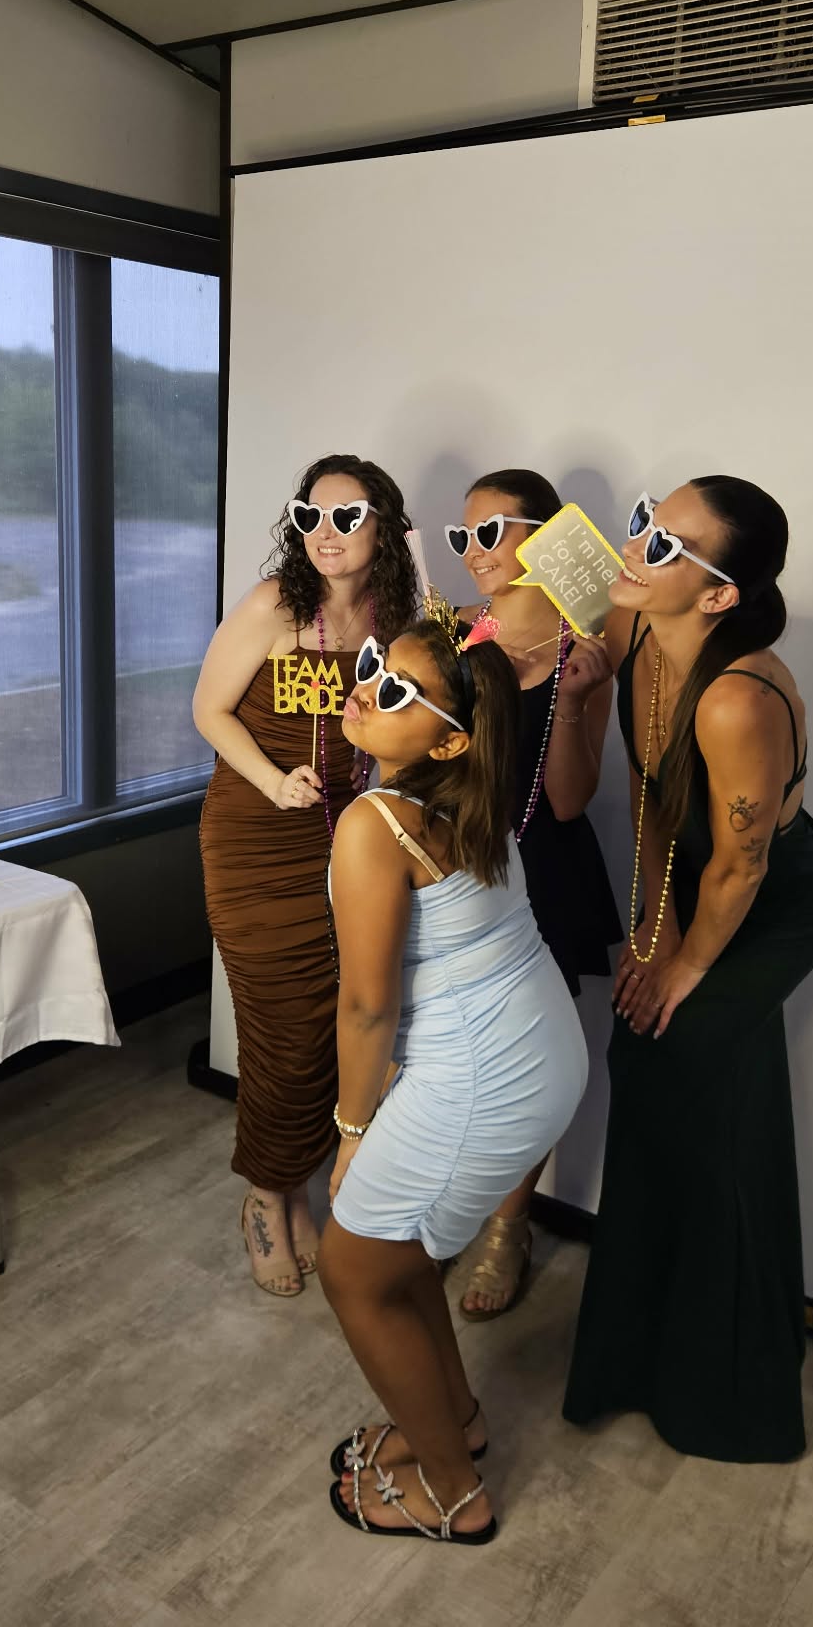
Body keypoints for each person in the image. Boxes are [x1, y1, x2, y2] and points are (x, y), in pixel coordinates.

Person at [563, 478, 813, 1462]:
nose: (634, 545)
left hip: (773, 898)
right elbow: (652, 800)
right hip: (698, 878)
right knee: (648, 1070)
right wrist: (650, 931)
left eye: (665, 542)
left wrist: (681, 965)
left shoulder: (738, 698)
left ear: (720, 593)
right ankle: (637, 1353)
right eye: (644, 517)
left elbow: (744, 860)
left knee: (694, 1083)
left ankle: (727, 1390)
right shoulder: (640, 627)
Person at [319, 611, 588, 1541]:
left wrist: (352, 1135)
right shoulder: (467, 797)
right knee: (400, 1259)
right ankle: (457, 1425)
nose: (361, 689)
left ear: (448, 736)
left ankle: (451, 1493)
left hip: (487, 1070)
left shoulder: (373, 823)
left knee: (352, 1270)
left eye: (394, 690)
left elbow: (366, 1010)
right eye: (368, 668)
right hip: (538, 1048)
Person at [194, 455, 419, 1297]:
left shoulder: (397, 620)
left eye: (348, 516)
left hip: (348, 847)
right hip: (256, 840)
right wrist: (273, 781)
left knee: (339, 1023)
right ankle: (265, 1198)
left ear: (385, 527)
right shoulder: (272, 607)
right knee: (279, 1031)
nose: (325, 533)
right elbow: (207, 708)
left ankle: (291, 1183)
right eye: (309, 516)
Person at [446, 468, 625, 1321]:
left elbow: (565, 799)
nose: (474, 551)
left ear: (545, 536)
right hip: (464, 865)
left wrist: (574, 698)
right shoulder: (460, 641)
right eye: (463, 536)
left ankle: (508, 1227)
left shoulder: (586, 645)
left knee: (529, 1060)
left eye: (492, 532)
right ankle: (449, 1201)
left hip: (545, 871)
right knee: (451, 1042)